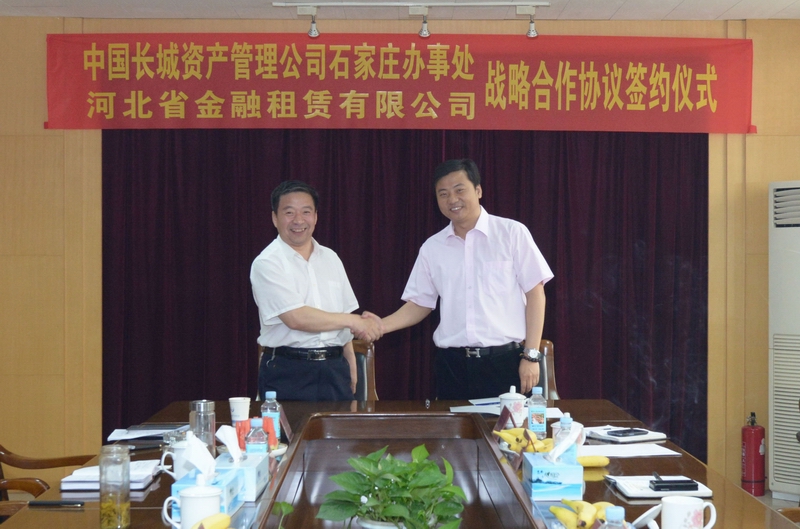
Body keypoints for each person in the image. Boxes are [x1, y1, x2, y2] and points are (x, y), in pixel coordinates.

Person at [371, 159, 553, 400]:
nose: (452, 200)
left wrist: (531, 355)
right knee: (453, 426)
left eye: (459, 190)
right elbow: (419, 303)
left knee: (509, 426)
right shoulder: (432, 247)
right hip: (452, 366)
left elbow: (535, 293)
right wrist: (380, 326)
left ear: (478, 190)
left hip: (505, 362)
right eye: (443, 194)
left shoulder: (511, 233)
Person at [250, 180, 382, 401]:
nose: (298, 220)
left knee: (340, 425)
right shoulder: (267, 262)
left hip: (335, 369)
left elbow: (343, 316)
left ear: (316, 217)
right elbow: (296, 318)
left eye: (306, 212)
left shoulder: (331, 258)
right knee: (288, 426)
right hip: (288, 371)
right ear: (274, 218)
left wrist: (350, 360)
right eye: (289, 212)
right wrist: (355, 321)